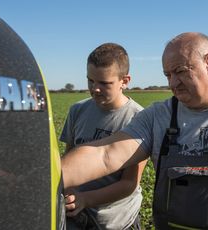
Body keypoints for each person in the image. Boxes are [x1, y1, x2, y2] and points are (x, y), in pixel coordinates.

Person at [62, 32, 208, 229]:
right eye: (168, 75)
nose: (173, 83)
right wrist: (45, 176)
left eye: (181, 71)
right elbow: (105, 155)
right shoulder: (157, 116)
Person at [60, 43, 147, 230]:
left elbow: (128, 183)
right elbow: (67, 160)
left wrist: (86, 199)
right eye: (90, 80)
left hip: (116, 220)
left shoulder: (139, 118)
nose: (95, 89)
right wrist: (69, 192)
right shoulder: (78, 110)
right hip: (77, 214)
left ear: (125, 81)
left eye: (104, 83)